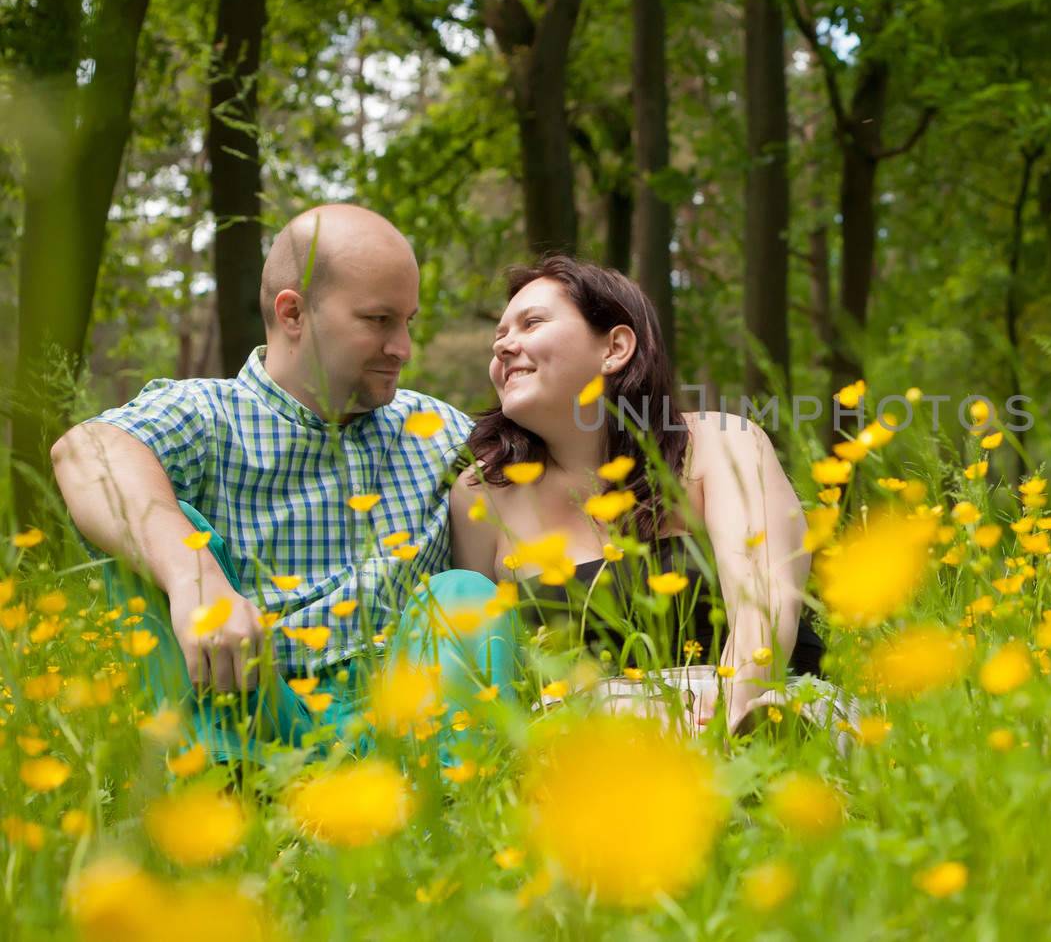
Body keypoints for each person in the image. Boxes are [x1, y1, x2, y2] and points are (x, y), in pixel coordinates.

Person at [50, 203, 508, 762]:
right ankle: (231, 793)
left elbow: (551, 490)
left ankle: (447, 808)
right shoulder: (207, 414)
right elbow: (86, 450)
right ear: (292, 314)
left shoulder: (436, 431)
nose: (403, 348)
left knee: (464, 594)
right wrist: (195, 578)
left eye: (407, 321)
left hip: (405, 721)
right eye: (378, 320)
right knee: (163, 529)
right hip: (252, 708)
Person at [449, 256, 827, 733]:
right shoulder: (481, 494)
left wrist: (725, 723)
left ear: (615, 347)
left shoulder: (720, 442)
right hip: (586, 739)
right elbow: (485, 667)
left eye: (532, 323)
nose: (504, 346)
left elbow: (763, 607)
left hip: (750, 708)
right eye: (498, 336)